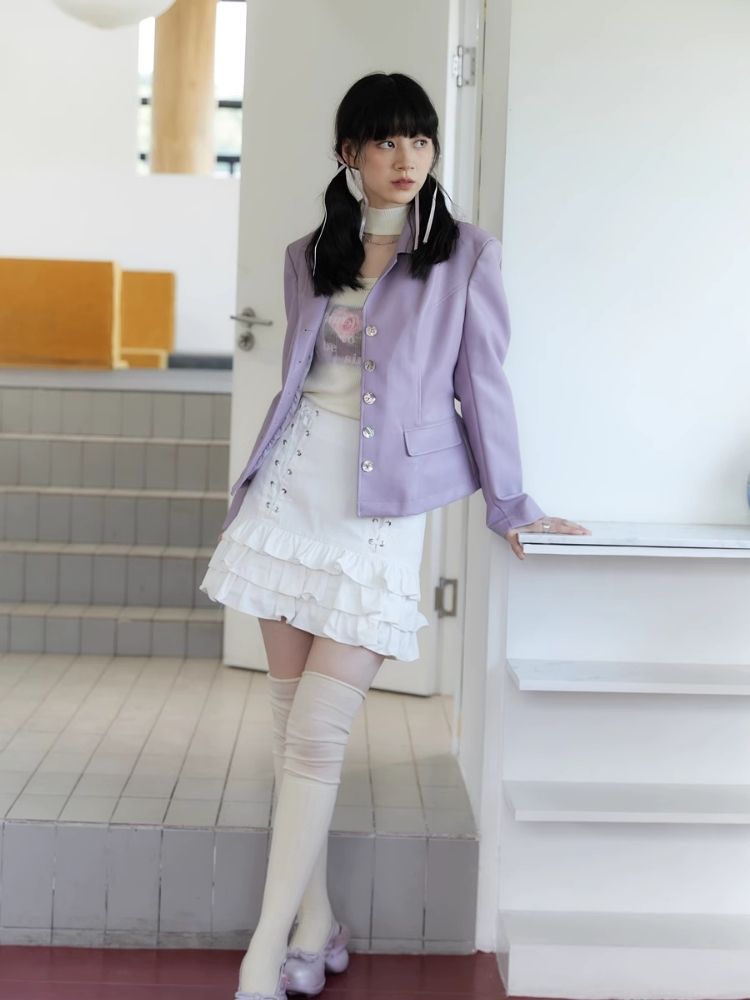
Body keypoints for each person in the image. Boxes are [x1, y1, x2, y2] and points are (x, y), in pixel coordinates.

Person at [200, 72, 589, 1000]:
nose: (407, 157)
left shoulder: (465, 256)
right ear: (350, 154)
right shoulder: (308, 255)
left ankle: (262, 955)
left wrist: (512, 503)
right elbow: (298, 381)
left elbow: (483, 387)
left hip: (380, 512)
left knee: (317, 732)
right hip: (291, 491)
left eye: (420, 139)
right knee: (291, 727)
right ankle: (315, 926)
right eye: (386, 140)